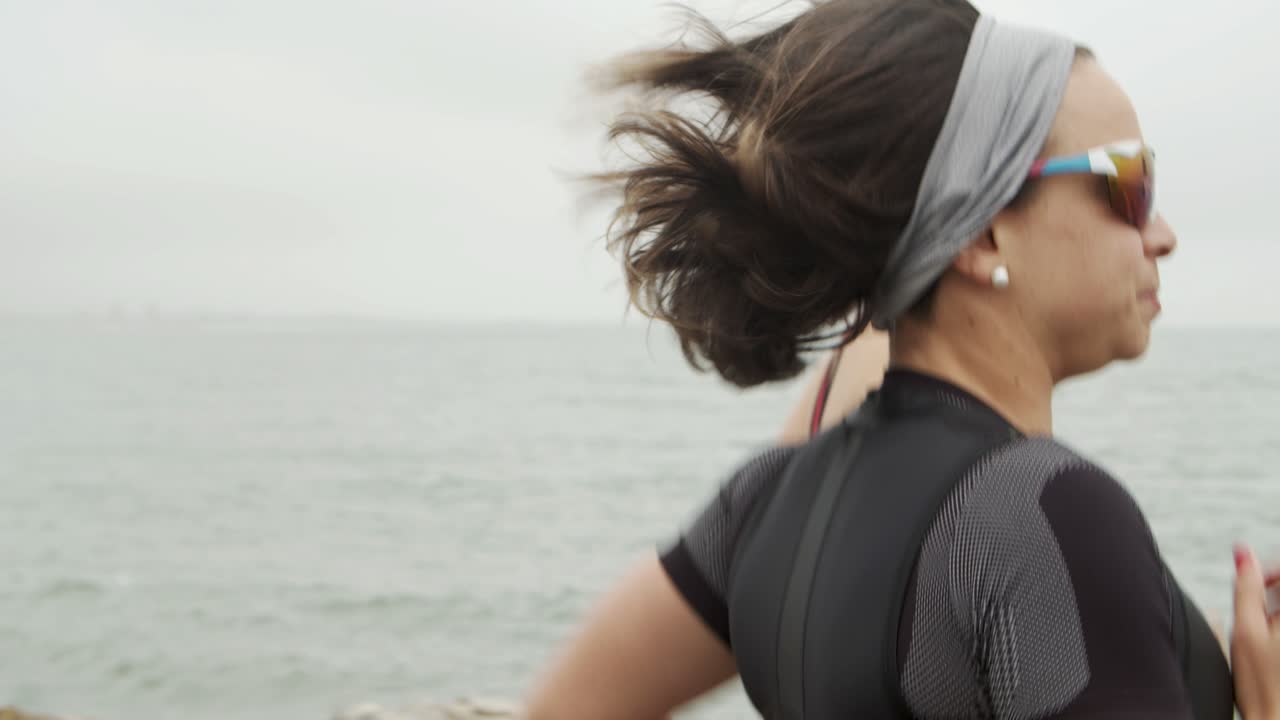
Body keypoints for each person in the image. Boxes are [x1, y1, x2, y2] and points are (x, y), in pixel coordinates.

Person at [525, 0, 1280, 717]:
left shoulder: (764, 500)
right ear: (984, 234)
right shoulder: (1045, 516)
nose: (1164, 233)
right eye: (1128, 183)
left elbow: (569, 709)